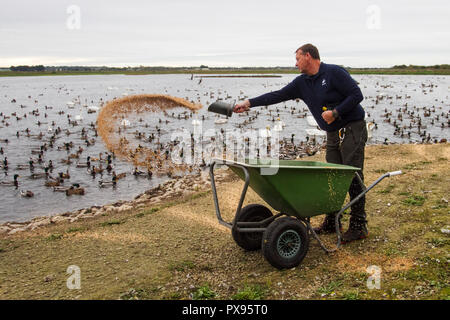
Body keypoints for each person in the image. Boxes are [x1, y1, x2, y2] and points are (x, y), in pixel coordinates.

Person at [233, 43, 368, 243]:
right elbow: (277, 95)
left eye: (297, 58)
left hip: (352, 129)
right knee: (332, 176)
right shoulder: (302, 83)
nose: (295, 63)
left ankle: (359, 225)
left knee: (352, 175)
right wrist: (249, 103)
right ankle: (333, 221)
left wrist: (335, 112)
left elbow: (357, 95)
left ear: (308, 56)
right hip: (333, 134)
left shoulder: (334, 73)